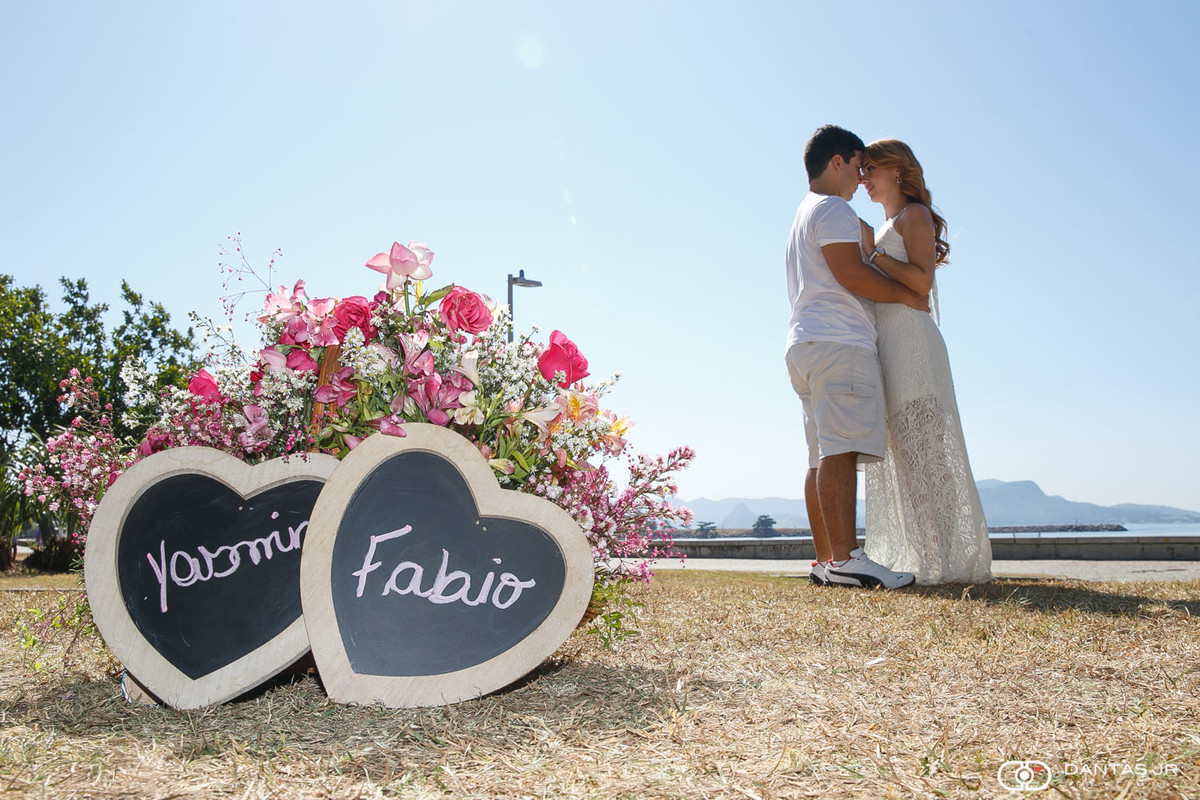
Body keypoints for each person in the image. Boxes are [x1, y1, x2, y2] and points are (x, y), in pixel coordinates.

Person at [784, 125, 927, 589]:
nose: (860, 177)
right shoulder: (833, 209)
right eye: (857, 165)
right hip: (839, 343)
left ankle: (826, 560)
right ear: (838, 161)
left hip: (805, 344)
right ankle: (846, 561)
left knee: (820, 454)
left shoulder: (804, 213)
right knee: (840, 450)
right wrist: (906, 298)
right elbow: (850, 275)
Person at [858, 139, 992, 584]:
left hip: (914, 344)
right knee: (907, 458)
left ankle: (952, 559)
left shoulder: (914, 216)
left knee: (929, 453)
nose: (863, 180)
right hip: (888, 344)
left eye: (871, 169)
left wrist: (872, 253)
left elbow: (921, 281)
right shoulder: (884, 224)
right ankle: (926, 558)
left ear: (897, 170)